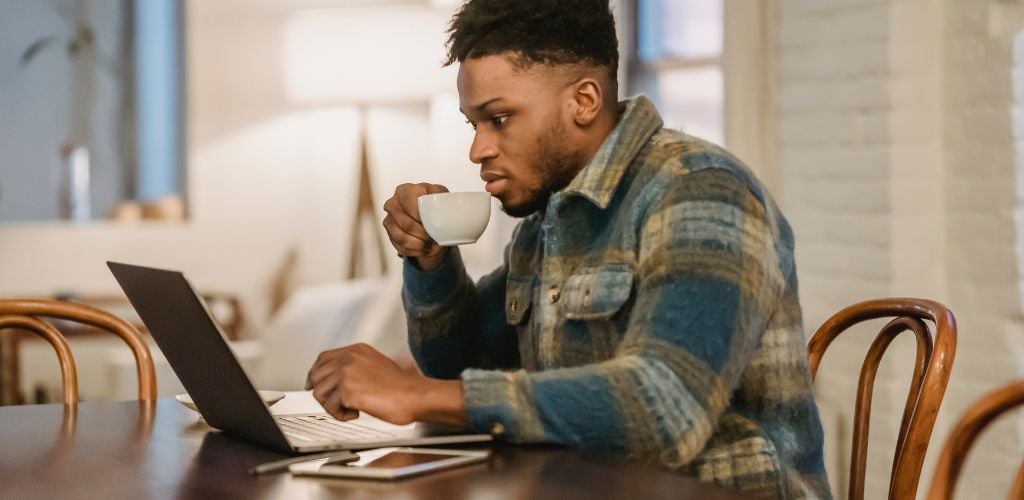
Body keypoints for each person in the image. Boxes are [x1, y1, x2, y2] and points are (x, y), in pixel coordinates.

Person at [305, 0, 830, 497]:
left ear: (583, 101)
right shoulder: (549, 216)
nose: (478, 149)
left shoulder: (701, 190)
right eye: (474, 124)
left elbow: (666, 406)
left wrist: (412, 394)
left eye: (500, 118)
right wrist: (431, 262)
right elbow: (457, 366)